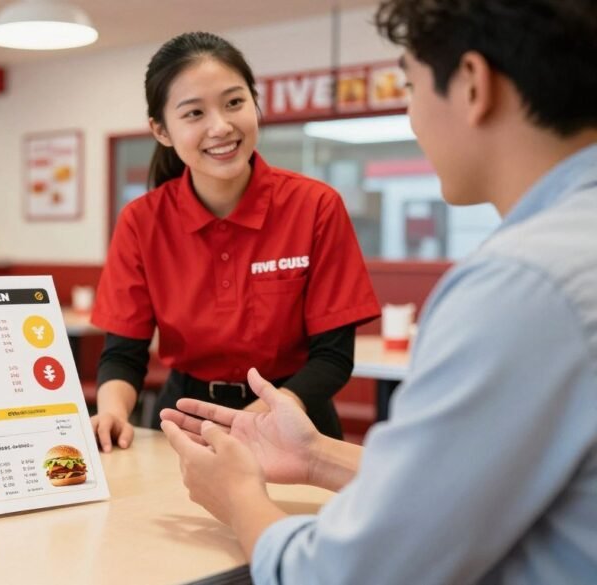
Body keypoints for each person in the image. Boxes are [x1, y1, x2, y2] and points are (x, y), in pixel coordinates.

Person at [160, 1, 597, 583]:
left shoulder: (522, 285)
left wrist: (238, 497)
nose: (412, 118)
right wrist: (316, 456)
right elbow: (461, 483)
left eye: (410, 86)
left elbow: (350, 571)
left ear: (472, 84)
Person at [89, 32, 381, 452]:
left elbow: (333, 357)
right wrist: (114, 410)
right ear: (161, 130)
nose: (221, 126)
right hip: (185, 425)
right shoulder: (141, 221)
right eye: (193, 113)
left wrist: (260, 418)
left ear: (254, 103)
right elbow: (123, 354)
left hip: (296, 423)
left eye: (234, 102)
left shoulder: (315, 206)